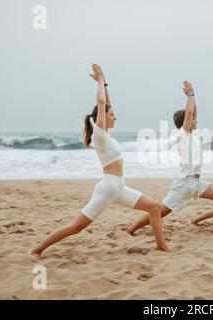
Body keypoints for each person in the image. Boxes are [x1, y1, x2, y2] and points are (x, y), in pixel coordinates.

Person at [30, 64, 168, 260]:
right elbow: (102, 103)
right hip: (107, 189)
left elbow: (107, 104)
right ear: (102, 118)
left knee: (154, 207)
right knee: (76, 227)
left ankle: (162, 247)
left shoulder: (108, 135)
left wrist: (106, 84)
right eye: (112, 115)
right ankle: (37, 250)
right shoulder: (99, 135)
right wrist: (100, 81)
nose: (116, 117)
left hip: (119, 188)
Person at [126, 81, 213, 236]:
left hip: (197, 182)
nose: (196, 120)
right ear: (185, 123)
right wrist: (190, 95)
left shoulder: (191, 136)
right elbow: (189, 113)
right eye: (193, 119)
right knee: (160, 212)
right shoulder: (182, 135)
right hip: (184, 183)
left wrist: (194, 99)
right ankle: (131, 229)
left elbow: (192, 112)